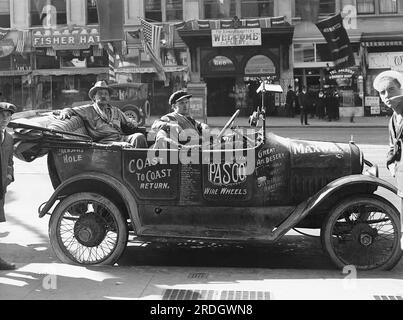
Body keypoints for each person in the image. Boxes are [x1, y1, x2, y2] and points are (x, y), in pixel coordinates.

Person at [58, 81, 147, 148]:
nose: (103, 96)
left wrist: (133, 123)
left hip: (120, 138)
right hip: (104, 143)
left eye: (106, 94)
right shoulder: (89, 110)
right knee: (125, 146)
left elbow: (128, 121)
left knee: (139, 137)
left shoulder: (115, 111)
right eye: (100, 94)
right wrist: (65, 112)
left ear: (109, 97)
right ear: (94, 97)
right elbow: (70, 110)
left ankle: (142, 168)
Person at [373, 70, 403, 249]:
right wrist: (391, 163)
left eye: (391, 90)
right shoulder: (393, 118)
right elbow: (392, 146)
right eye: (382, 93)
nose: (387, 96)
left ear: (401, 88)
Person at [0, 102, 16, 270]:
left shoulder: (9, 137)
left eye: (7, 115)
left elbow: (10, 161)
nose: (5, 118)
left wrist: (9, 176)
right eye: (1, 115)